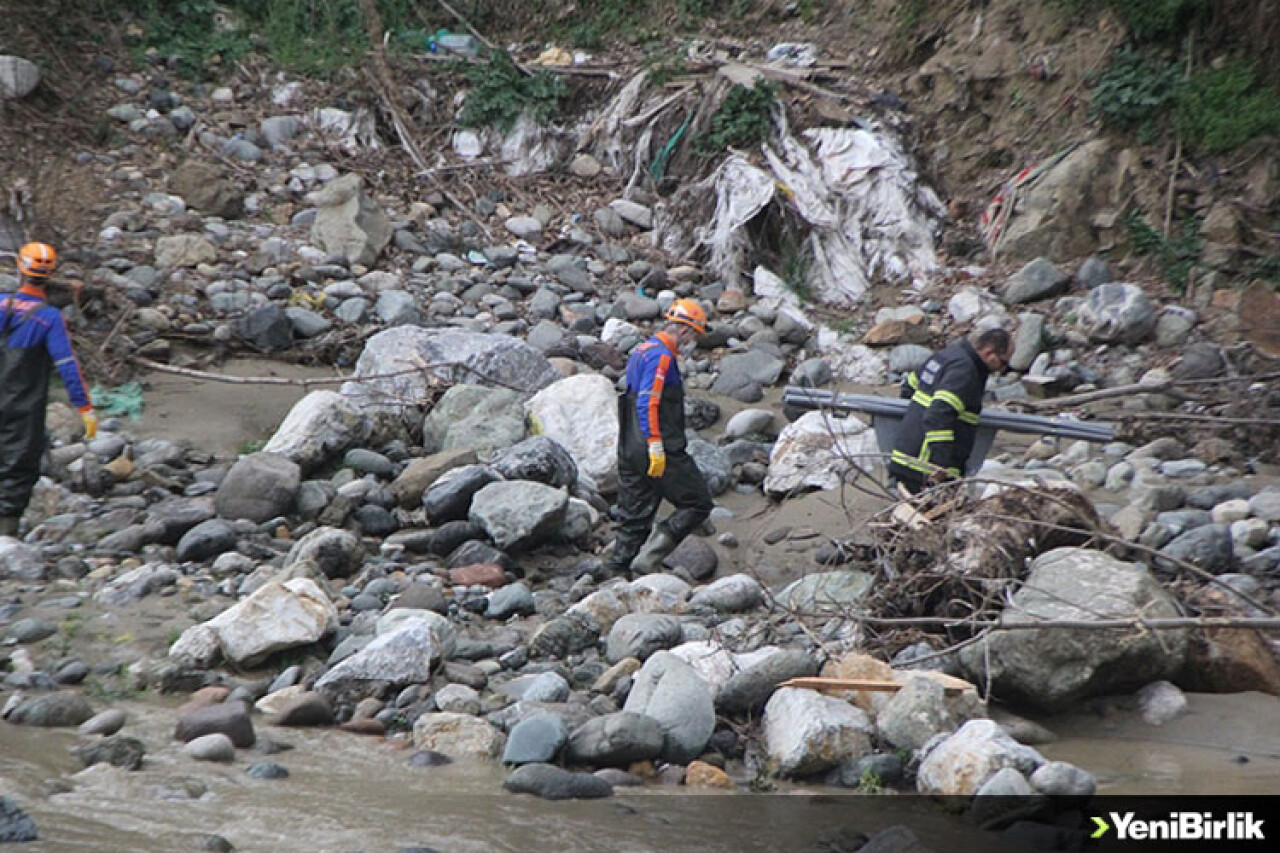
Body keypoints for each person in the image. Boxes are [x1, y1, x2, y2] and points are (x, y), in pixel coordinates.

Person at [605, 298, 714, 576]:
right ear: (685, 331)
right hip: (657, 445)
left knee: (633, 515)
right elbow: (647, 401)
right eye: (695, 337)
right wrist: (655, 444)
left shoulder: (642, 349)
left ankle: (616, 573)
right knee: (697, 502)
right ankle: (648, 560)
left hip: (629, 445)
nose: (693, 345)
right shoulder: (662, 356)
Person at [0, 242, 96, 537]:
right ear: (50, 274)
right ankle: (5, 533)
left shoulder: (1, 303)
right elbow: (67, 365)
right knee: (17, 464)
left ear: (20, 269)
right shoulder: (50, 318)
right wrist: (84, 408)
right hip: (22, 404)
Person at [887, 327, 1013, 495]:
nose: (1001, 370)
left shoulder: (947, 355)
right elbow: (938, 416)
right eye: (1003, 363)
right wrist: (940, 466)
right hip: (925, 469)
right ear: (989, 353)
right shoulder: (965, 371)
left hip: (906, 458)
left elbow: (910, 385)